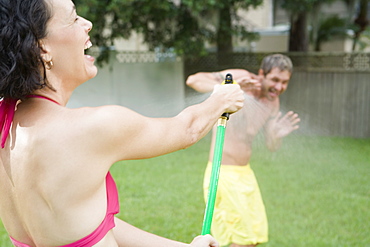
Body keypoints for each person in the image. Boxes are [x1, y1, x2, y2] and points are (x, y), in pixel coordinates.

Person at [0, 0, 245, 246]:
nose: (88, 24)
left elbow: (92, 226)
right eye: (74, 19)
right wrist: (220, 100)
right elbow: (186, 130)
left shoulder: (5, 126)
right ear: (42, 47)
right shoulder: (93, 127)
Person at [186, 54, 300, 247]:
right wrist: (231, 87)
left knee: (251, 240)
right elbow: (194, 80)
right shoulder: (239, 77)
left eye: (284, 82)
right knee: (241, 243)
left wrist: (277, 135)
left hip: (246, 175)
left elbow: (271, 145)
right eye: (275, 80)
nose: (279, 87)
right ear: (262, 74)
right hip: (223, 174)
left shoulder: (272, 103)